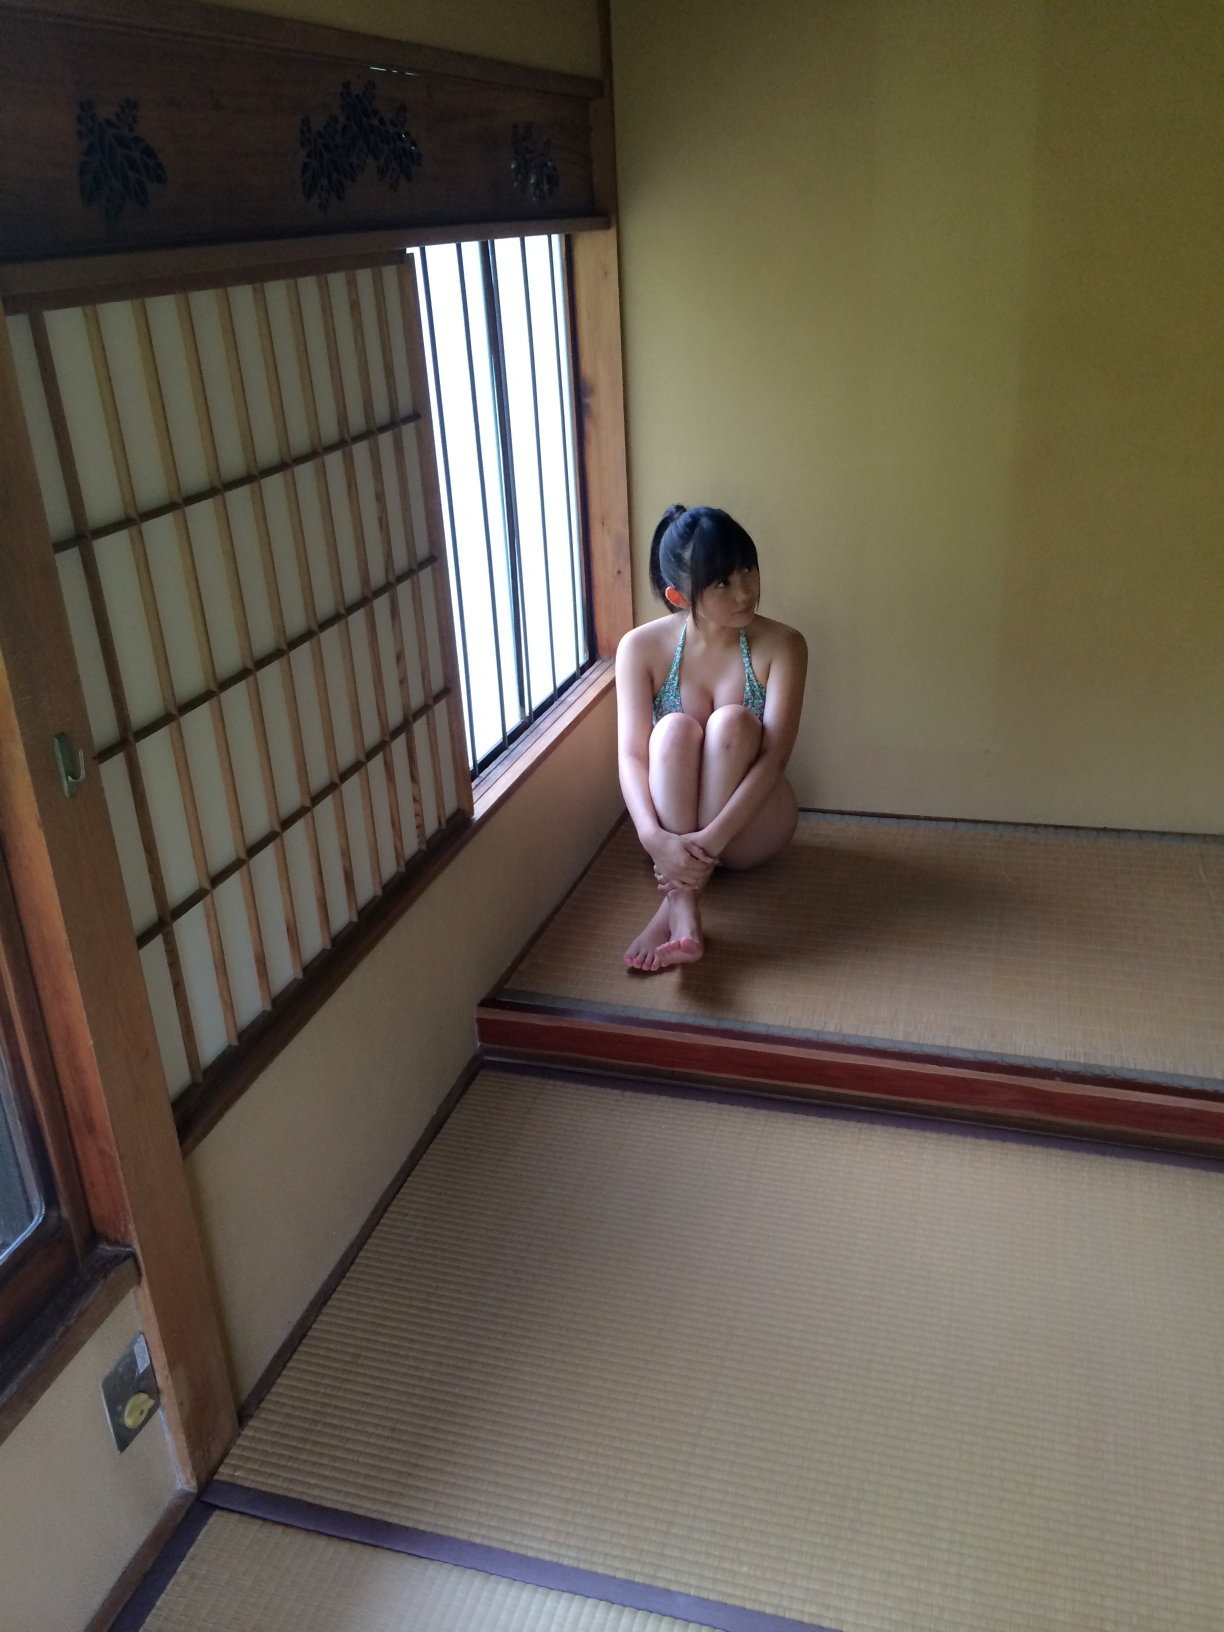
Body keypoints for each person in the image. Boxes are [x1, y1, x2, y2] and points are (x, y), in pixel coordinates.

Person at [616, 504, 807, 971]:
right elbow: (632, 755)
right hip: (669, 840)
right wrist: (652, 837)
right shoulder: (640, 647)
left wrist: (705, 844)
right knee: (673, 729)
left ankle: (676, 903)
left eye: (748, 568)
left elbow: (774, 758)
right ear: (679, 596)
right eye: (722, 581)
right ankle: (685, 916)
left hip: (749, 830)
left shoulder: (784, 644)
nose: (745, 590)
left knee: (732, 723)